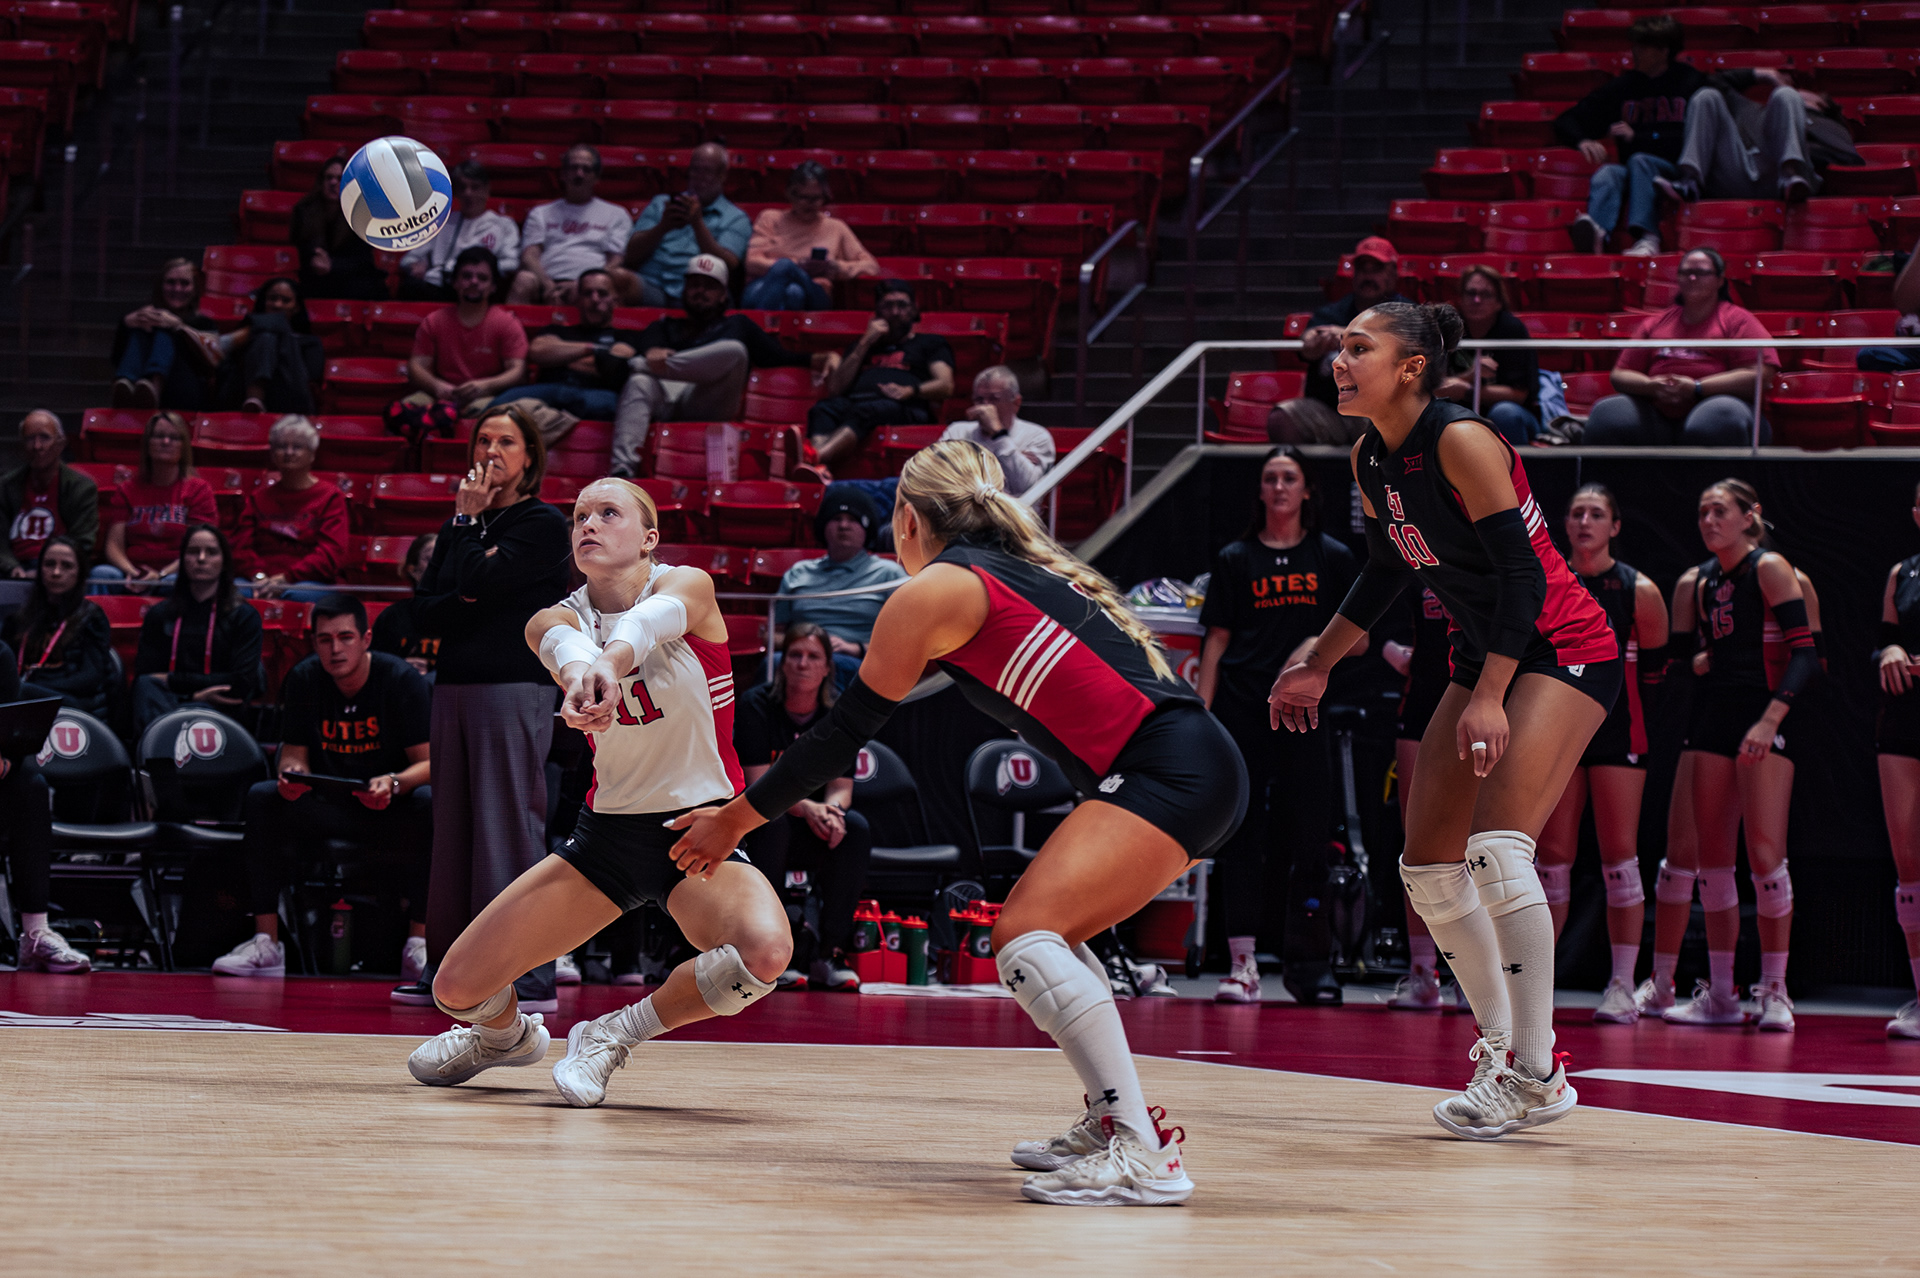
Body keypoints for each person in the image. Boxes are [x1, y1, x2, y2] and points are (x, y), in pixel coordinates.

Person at [670, 440, 1244, 1206]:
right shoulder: (1007, 575)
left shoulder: (936, 590)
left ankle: (1143, 1151)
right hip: (1190, 765)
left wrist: (735, 819)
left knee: (1022, 936)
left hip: (1169, 772)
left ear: (906, 519)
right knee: (1056, 937)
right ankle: (1116, 1122)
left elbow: (841, 736)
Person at [1273, 301, 1620, 1140]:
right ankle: (1503, 1052)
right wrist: (1318, 661)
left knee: (1498, 852)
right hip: (1485, 656)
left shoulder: (1461, 440)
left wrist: (1494, 693)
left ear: (1411, 367)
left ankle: (1537, 1071)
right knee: (1428, 869)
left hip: (1560, 649)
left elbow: (1526, 580)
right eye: (1341, 347)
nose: (1340, 361)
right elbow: (1385, 572)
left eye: (1361, 347)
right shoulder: (1369, 459)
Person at [407, 478, 792, 1111]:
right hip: (604, 840)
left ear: (648, 539)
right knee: (454, 987)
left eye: (607, 513)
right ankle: (503, 1037)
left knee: (765, 953)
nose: (588, 523)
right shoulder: (550, 618)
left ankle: (611, 1034)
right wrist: (585, 678)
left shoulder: (688, 586)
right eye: (580, 515)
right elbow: (566, 649)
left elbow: (646, 624)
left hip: (697, 834)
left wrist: (607, 669)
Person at [400, 404, 572, 1011]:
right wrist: (467, 568)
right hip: (453, 686)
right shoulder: (462, 522)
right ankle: (451, 975)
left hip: (514, 687)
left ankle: (525, 977)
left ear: (530, 457)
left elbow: (475, 584)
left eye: (506, 441)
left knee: (505, 830)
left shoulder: (542, 523)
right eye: (482, 440)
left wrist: (469, 556)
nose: (491, 451)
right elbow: (428, 607)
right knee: (452, 833)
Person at [1197, 446, 1361, 1007]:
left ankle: (1310, 965)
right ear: (1261, 492)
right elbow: (1215, 643)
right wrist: (1201, 717)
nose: (1280, 487)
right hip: (1243, 710)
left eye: (1290, 477)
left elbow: (1359, 638)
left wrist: (1316, 647)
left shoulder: (1332, 556)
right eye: (1271, 479)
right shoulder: (1235, 557)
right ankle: (1241, 963)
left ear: (1307, 490)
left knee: (1310, 838)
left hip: (1302, 714)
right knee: (1241, 835)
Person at [1656, 480, 1814, 1033]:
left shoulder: (1768, 567)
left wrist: (1770, 722)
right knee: (1714, 863)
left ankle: (1775, 989)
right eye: (1702, 512)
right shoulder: (1701, 581)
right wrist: (1696, 659)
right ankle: (1721, 994)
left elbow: (1806, 654)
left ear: (1751, 516)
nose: (1709, 520)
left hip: (1761, 716)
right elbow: (1679, 662)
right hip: (1713, 719)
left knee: (1766, 855)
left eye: (1720, 511)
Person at [210, 594, 433, 983]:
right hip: (330, 804)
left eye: (345, 637)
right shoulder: (303, 678)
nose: (335, 649)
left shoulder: (400, 680)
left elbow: (432, 763)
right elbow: (293, 757)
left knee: (432, 803)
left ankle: (419, 943)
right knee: (263, 798)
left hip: (387, 807)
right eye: (325, 639)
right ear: (314, 643)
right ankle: (267, 942)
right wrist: (292, 776)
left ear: (366, 639)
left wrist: (396, 783)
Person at [1534, 486, 1668, 1024]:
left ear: (1614, 526)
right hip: (1558, 733)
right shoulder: (1545, 581)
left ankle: (1620, 984)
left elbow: (1656, 675)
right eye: (1576, 513)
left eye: (1597, 514)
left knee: (1620, 858)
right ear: (1563, 524)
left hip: (1618, 735)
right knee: (1553, 859)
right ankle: (1535, 984)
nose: (1585, 521)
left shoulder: (1639, 589)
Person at [735, 623, 871, 992]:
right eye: (795, 655)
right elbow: (758, 785)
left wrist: (832, 813)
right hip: (764, 824)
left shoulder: (838, 712)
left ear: (828, 667)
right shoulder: (756, 706)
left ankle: (830, 953)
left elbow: (842, 787)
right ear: (782, 663)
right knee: (773, 821)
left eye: (813, 657)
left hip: (811, 825)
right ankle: (776, 953)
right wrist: (809, 808)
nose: (803, 664)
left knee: (855, 828)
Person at [609, 254, 820, 478]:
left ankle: (639, 365)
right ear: (684, 289)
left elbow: (779, 356)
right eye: (694, 285)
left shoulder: (738, 325)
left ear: (722, 295)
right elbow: (632, 348)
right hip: (668, 401)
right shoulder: (664, 327)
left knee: (735, 351)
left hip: (711, 402)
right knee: (639, 381)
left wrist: (819, 358)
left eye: (709, 286)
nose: (700, 291)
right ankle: (622, 472)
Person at [1583, 248, 1778, 447]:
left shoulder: (1738, 320)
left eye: (1701, 272)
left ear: (1720, 280)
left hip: (1717, 404)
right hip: (1658, 411)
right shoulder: (1657, 323)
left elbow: (1762, 374)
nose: (1692, 277)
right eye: (1685, 272)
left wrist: (1697, 388)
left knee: (1715, 417)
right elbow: (1620, 374)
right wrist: (1650, 386)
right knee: (1607, 412)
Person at [1556, 14, 1708, 256]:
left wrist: (1639, 137)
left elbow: (1692, 137)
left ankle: (1648, 238)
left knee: (1640, 159)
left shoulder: (1690, 81)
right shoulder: (1625, 86)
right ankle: (1597, 235)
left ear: (1663, 51)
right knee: (1607, 172)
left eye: (1642, 46)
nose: (1634, 52)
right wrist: (1582, 140)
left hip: (1678, 170)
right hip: (1636, 172)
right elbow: (1567, 120)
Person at [1382, 587, 1462, 1012]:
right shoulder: (1414, 562)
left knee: (1476, 848)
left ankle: (1472, 977)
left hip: (1477, 706)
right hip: (1420, 708)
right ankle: (1422, 972)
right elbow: (1383, 636)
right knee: (1416, 845)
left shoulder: (1489, 551)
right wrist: (1399, 654)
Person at [0, 639, 91, 974]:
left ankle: (35, 933)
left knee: (30, 786)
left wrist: (5, 763)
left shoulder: (1, 654)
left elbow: (10, 731)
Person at [1267, 237, 1412, 446]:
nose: (1368, 277)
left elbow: (1407, 346)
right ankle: (1303, 477)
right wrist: (1311, 342)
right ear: (1354, 274)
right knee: (1282, 419)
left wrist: (1348, 337)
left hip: (1382, 410)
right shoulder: (1334, 313)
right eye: (1363, 269)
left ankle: (1380, 479)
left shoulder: (1406, 312)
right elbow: (1308, 343)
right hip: (1332, 410)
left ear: (1392, 273)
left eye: (1376, 269)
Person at [808, 282, 955, 473]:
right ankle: (819, 468)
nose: (895, 312)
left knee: (867, 411)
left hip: (905, 406)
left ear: (913, 310)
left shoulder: (930, 343)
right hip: (856, 402)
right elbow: (835, 389)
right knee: (822, 409)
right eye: (888, 306)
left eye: (902, 305)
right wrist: (865, 342)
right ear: (877, 311)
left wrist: (910, 391)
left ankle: (814, 458)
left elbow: (946, 385)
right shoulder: (861, 346)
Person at [130, 524, 263, 732]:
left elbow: (241, 681)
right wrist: (192, 696)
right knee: (145, 688)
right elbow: (146, 677)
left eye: (211, 552)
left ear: (224, 561)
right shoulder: (159, 615)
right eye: (193, 552)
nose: (201, 559)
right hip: (167, 706)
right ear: (182, 560)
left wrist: (173, 681)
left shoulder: (244, 616)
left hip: (220, 709)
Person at [774, 485, 906, 688]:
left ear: (866, 528)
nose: (843, 525)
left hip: (858, 660)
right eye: (836, 519)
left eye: (853, 520)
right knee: (772, 664)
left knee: (838, 667)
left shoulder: (890, 575)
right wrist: (806, 648)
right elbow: (773, 634)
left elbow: (906, 640)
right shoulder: (798, 573)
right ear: (823, 527)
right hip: (801, 657)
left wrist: (857, 649)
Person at [1875, 488, 1920, 1039]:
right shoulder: (1901, 573)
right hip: (1903, 721)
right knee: (1909, 863)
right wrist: (1886, 652)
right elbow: (1884, 640)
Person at [90, 412, 219, 594]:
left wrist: (160, 576)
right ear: (147, 444)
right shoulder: (127, 490)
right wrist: (134, 573)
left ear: (183, 447)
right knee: (101, 573)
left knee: (177, 582)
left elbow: (199, 550)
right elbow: (113, 545)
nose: (165, 442)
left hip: (176, 572)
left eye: (174, 438)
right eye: (159, 436)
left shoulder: (199, 491)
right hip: (132, 570)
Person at [493, 268, 640, 423]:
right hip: (548, 391)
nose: (595, 299)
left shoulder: (625, 336)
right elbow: (537, 351)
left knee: (607, 406)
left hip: (594, 395)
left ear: (615, 300)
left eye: (602, 293)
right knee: (498, 406)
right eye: (587, 293)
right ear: (578, 299)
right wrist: (595, 349)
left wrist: (561, 356)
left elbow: (616, 364)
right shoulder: (557, 329)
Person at [231, 415, 351, 602]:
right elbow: (239, 546)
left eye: (297, 447)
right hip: (259, 580)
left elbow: (331, 553)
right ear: (272, 454)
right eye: (281, 447)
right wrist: (259, 576)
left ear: (312, 454)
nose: (289, 452)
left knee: (295, 595)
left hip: (308, 581)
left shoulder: (330, 497)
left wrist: (286, 578)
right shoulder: (258, 497)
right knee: (229, 593)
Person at [403, 247, 529, 422]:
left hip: (488, 397)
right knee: (404, 411)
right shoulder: (434, 321)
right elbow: (416, 365)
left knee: (490, 414)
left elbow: (517, 370)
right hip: (440, 395)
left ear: (493, 287)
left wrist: (485, 386)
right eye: (466, 276)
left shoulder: (507, 323)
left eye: (482, 278)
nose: (474, 282)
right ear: (455, 282)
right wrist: (437, 386)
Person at [1667, 69, 1822, 208]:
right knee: (1706, 95)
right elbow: (1712, 81)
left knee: (1787, 95)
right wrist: (1764, 74)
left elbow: (1838, 153)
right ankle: (1691, 182)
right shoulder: (1740, 103)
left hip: (1778, 174)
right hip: (1735, 169)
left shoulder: (1821, 114)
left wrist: (1807, 116)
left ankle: (1790, 176)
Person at [623, 142, 750, 307]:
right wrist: (663, 226)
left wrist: (697, 224)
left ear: (722, 175)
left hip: (698, 291)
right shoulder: (661, 204)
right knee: (614, 280)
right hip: (652, 284)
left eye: (707, 171)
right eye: (695, 169)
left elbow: (727, 266)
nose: (699, 177)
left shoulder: (736, 218)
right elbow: (630, 255)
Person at [741, 161, 880, 311]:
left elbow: (871, 266)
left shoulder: (836, 227)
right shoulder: (770, 219)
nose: (809, 204)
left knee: (787, 270)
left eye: (815, 199)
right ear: (791, 194)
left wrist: (837, 268)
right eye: (803, 197)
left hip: (815, 292)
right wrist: (798, 266)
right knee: (793, 290)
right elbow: (751, 262)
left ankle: (760, 327)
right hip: (764, 287)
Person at [507, 145, 635, 307]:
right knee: (523, 280)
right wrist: (549, 286)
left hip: (591, 284)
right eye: (573, 168)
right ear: (563, 174)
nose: (579, 174)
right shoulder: (540, 213)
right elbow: (529, 256)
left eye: (586, 169)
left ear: (596, 178)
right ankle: (510, 332)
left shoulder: (616, 214)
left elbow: (616, 260)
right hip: (546, 281)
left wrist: (582, 284)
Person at [5, 536, 113, 713]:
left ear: (80, 573)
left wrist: (34, 686)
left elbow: (91, 677)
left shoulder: (92, 616)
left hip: (73, 702)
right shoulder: (19, 617)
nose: (56, 572)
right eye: (49, 564)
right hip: (24, 695)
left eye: (66, 566)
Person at [1437, 267, 1538, 446]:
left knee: (1504, 413)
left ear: (1499, 302)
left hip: (1514, 414)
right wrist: (1471, 375)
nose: (1477, 300)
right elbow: (1435, 389)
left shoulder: (1512, 330)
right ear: (1460, 298)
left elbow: (1520, 394)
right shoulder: (1447, 328)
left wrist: (1468, 391)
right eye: (1470, 293)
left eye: (1485, 294)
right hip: (1458, 411)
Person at [399, 159, 520, 302]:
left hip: (478, 289)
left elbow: (512, 263)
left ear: (486, 190)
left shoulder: (504, 225)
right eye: (462, 188)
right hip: (439, 285)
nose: (468, 193)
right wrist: (416, 265)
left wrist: (481, 271)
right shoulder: (441, 222)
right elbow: (408, 259)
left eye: (475, 187)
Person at [110, 258, 221, 410]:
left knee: (165, 329)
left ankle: (155, 387)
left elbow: (215, 363)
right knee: (147, 325)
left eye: (184, 283)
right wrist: (125, 324)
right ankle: (126, 383)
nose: (177, 288)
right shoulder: (144, 318)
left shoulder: (204, 323)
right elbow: (116, 358)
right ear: (161, 286)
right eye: (170, 282)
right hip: (139, 394)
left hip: (184, 393)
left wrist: (178, 326)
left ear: (195, 288)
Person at [2, 410, 98, 579]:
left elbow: (82, 542)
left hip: (60, 570)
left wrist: (48, 569)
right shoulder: (6, 487)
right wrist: (12, 568)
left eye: (45, 438)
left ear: (61, 443)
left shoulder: (81, 488)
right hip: (13, 568)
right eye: (29, 439)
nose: (37, 446)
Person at [938, 365, 1055, 497]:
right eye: (979, 399)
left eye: (994, 399)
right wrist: (1013, 458)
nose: (985, 406)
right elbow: (940, 475)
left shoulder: (1037, 436)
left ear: (1016, 402)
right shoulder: (957, 432)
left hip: (1014, 514)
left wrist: (998, 434)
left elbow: (1026, 486)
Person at [215, 277, 325, 415]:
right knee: (266, 338)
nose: (277, 305)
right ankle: (253, 401)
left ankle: (255, 397)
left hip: (290, 400)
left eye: (286, 300)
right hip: (241, 394)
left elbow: (310, 379)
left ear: (297, 307)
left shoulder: (311, 342)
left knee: (272, 334)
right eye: (272, 298)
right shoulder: (254, 339)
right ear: (264, 301)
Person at [293, 152, 388, 300]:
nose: (333, 183)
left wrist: (333, 265)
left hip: (350, 276)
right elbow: (298, 247)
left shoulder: (362, 213)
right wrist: (313, 259)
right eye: (329, 177)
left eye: (340, 179)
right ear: (321, 181)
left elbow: (363, 260)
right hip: (314, 275)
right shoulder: (304, 210)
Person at [372, 532, 440, 677]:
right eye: (431, 558)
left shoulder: (467, 616)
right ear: (413, 570)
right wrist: (401, 667)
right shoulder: (391, 618)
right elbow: (375, 667)